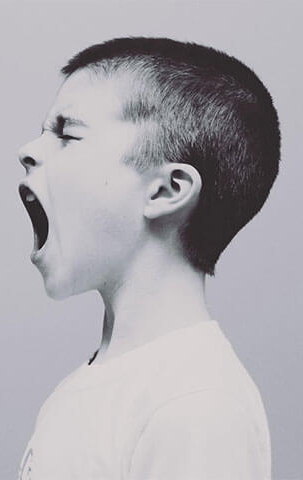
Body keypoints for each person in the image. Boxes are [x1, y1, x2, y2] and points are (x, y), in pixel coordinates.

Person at [17, 37, 279, 480]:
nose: (28, 151)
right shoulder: (90, 386)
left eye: (66, 133)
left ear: (166, 190)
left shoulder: (196, 404)